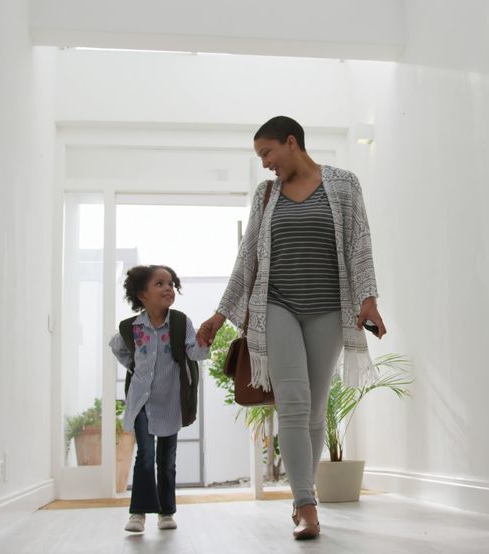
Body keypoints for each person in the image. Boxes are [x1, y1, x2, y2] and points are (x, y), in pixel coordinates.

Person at [196, 116, 386, 540]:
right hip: (276, 307)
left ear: (291, 142)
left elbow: (360, 245)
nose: (265, 163)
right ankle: (305, 505)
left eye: (267, 153)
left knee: (316, 408)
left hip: (328, 311)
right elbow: (247, 261)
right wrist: (219, 315)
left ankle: (305, 494)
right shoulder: (266, 196)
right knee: (294, 404)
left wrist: (368, 300)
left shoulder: (343, 185)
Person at [109, 265, 209, 533]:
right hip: (141, 401)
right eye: (160, 284)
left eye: (171, 284)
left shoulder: (180, 323)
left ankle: (166, 511)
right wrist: (134, 366)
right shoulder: (131, 327)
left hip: (170, 402)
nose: (168, 289)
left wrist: (204, 341)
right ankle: (138, 513)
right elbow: (118, 347)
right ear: (142, 294)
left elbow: (194, 353)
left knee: (167, 459)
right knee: (145, 455)